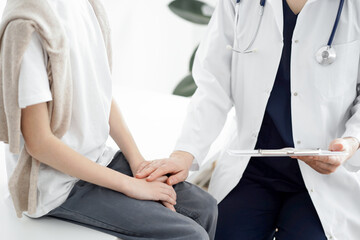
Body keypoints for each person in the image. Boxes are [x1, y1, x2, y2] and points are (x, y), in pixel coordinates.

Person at [136, 0, 360, 239]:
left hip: (323, 174)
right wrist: (184, 154)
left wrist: (351, 141)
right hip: (252, 168)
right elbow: (214, 84)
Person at [0, 0, 217, 239]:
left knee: (204, 209)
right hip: (55, 186)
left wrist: (138, 164)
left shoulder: (87, 6)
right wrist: (131, 186)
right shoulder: (27, 22)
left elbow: (101, 92)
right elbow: (39, 143)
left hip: (99, 160)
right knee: (189, 234)